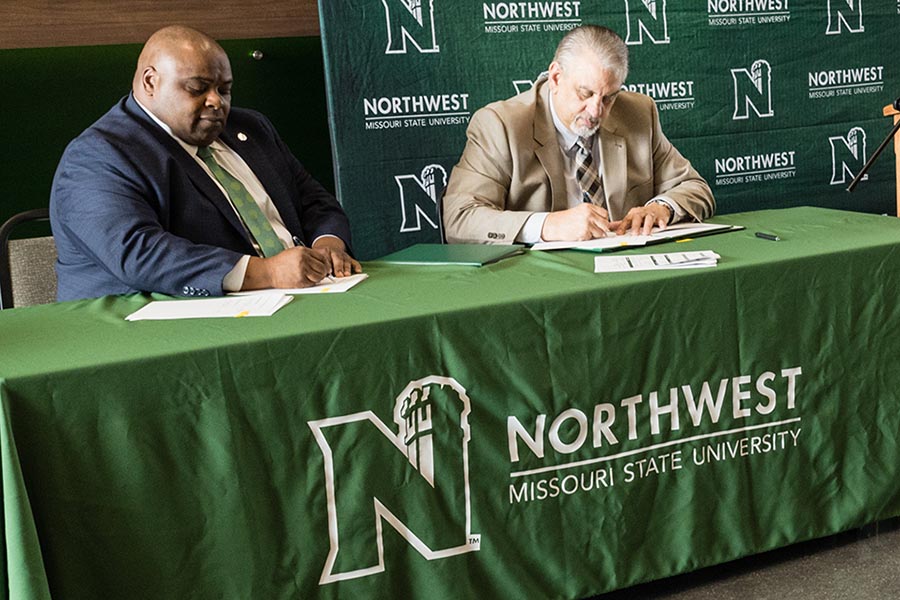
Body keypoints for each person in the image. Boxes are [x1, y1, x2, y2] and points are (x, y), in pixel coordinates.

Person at [50, 25, 360, 301]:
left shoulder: (252, 128)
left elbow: (313, 200)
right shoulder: (98, 155)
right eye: (197, 89)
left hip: (303, 298)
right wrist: (266, 273)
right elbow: (139, 252)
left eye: (224, 90)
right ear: (150, 82)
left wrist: (329, 244)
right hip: (152, 326)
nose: (216, 102)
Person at [442, 25, 714, 245]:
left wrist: (660, 208)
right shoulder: (500, 125)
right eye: (585, 94)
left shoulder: (639, 113)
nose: (596, 110)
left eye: (609, 97)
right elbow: (459, 218)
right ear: (556, 78)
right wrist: (548, 225)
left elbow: (696, 188)